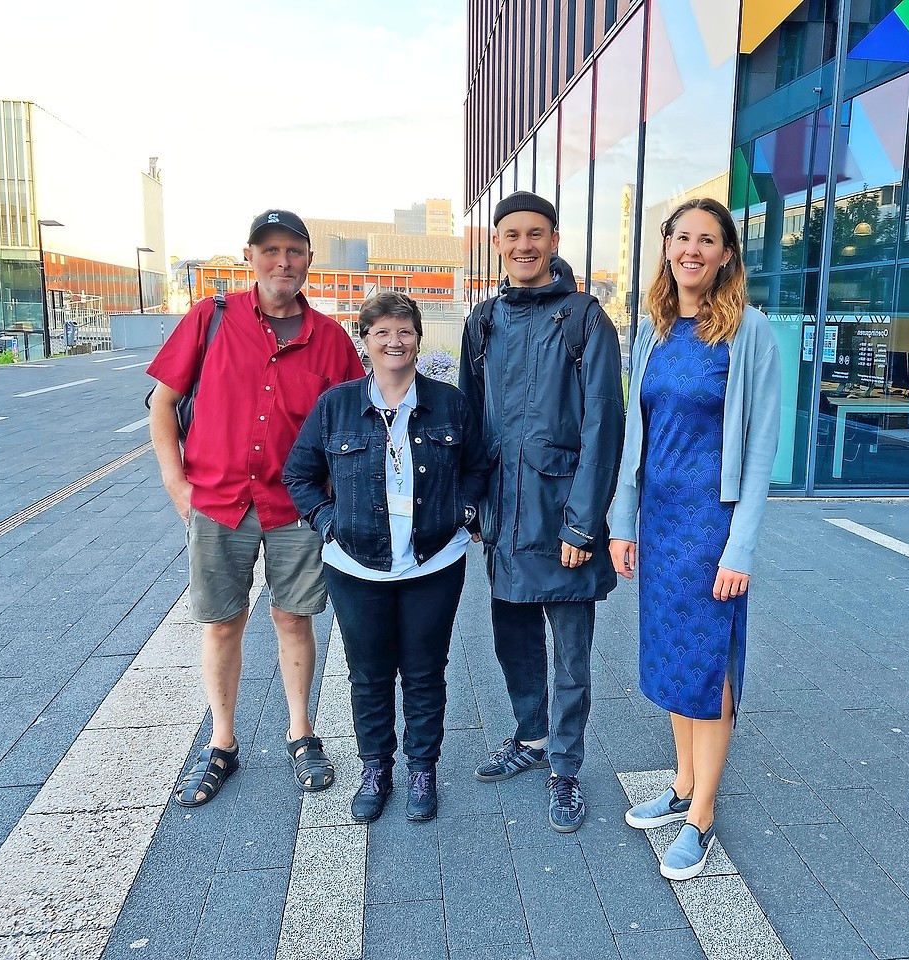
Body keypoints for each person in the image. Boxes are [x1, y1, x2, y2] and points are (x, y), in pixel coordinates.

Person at [148, 209, 365, 807]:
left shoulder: (331, 340)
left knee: (295, 618)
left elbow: (354, 424)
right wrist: (178, 487)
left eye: (294, 251)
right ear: (251, 257)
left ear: (308, 261)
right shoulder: (209, 320)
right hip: (218, 503)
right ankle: (222, 742)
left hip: (294, 505)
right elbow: (162, 405)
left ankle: (301, 732)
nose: (282, 262)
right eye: (270, 250)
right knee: (222, 622)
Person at [608, 197, 780, 879]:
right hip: (661, 519)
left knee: (710, 669)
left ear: (727, 255)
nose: (692, 250)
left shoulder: (750, 332)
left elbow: (762, 447)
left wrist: (740, 548)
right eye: (682, 237)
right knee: (675, 659)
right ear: (668, 248)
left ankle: (702, 815)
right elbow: (633, 436)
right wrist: (623, 523)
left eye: (707, 240)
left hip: (712, 526)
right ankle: (681, 783)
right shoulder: (652, 330)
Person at [283, 292, 487, 823]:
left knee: (424, 671)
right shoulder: (337, 405)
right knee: (369, 672)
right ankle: (376, 768)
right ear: (365, 340)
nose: (395, 342)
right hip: (355, 565)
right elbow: (298, 474)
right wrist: (328, 524)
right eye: (383, 333)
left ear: (419, 340)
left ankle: (422, 769)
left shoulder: (449, 403)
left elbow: (479, 466)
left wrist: (463, 515)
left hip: (434, 561)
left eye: (405, 332)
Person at [459, 191, 625, 834]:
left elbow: (602, 423)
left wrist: (583, 522)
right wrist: (473, 504)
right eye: (510, 235)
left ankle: (565, 766)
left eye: (535, 234)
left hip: (561, 516)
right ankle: (529, 739)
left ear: (554, 241)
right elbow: (472, 420)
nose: (523, 245)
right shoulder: (484, 319)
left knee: (571, 652)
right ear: (497, 244)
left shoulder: (585, 319)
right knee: (513, 640)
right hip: (505, 512)